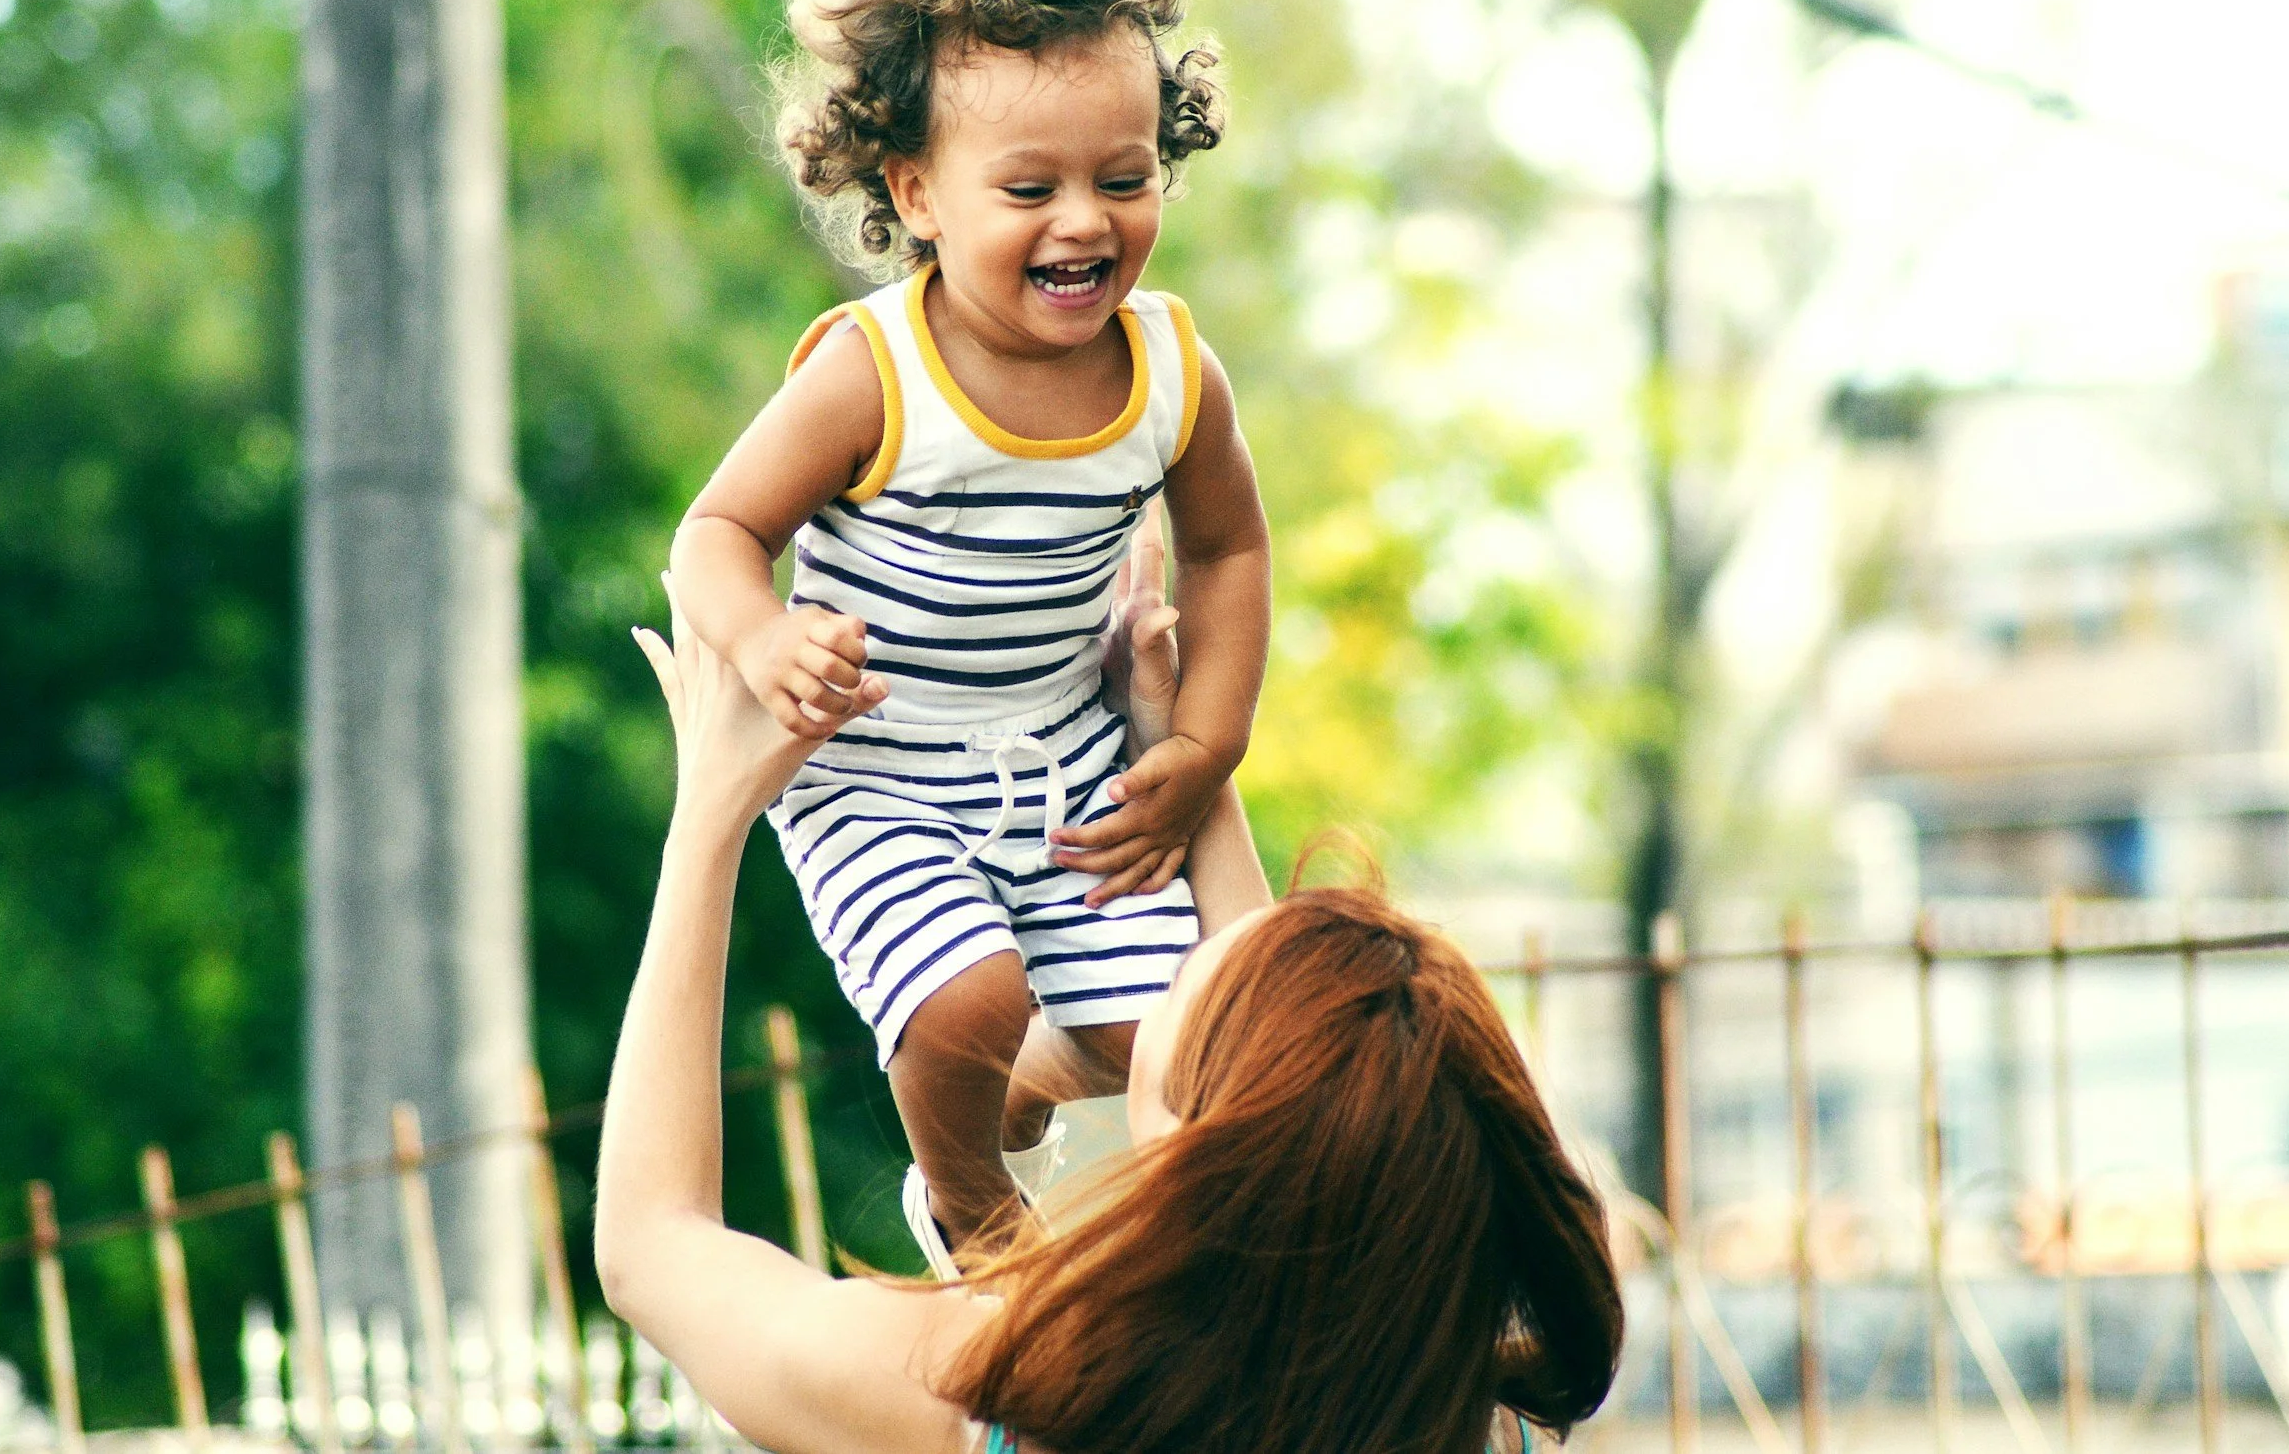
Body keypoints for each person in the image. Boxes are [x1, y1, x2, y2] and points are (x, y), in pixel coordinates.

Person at [599, 581, 1626, 1454]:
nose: (1163, 969)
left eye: (1177, 988)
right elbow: (1304, 1097)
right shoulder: (1480, 1416)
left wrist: (708, 818)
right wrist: (1173, 753)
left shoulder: (989, 1394)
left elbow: (652, 1244)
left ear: (1191, 1148)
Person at [665, 0, 1272, 1269]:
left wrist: (1203, 745)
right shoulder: (875, 374)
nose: (1085, 222)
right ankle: (976, 1216)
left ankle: (1021, 1084)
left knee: (1164, 1037)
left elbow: (1232, 553)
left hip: (1062, 751)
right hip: (878, 764)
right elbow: (714, 530)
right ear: (915, 192)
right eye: (1030, 189)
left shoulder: (1174, 372)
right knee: (961, 1002)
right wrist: (764, 636)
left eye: (1124, 178)